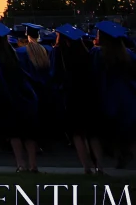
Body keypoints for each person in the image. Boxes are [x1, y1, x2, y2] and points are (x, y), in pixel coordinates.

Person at [0, 23, 39, 172]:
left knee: (15, 134)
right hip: (25, 97)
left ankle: (21, 164)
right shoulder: (15, 54)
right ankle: (33, 165)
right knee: (29, 134)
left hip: (9, 100)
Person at [51, 24, 99, 173]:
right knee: (92, 132)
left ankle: (86, 167)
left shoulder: (58, 52)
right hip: (88, 94)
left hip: (70, 95)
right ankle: (100, 166)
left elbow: (53, 74)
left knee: (77, 133)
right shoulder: (86, 52)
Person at [89, 21, 136, 169]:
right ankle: (126, 153)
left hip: (107, 95)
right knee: (127, 130)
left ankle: (117, 155)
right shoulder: (128, 54)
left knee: (110, 130)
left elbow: (94, 74)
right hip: (128, 96)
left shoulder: (97, 53)